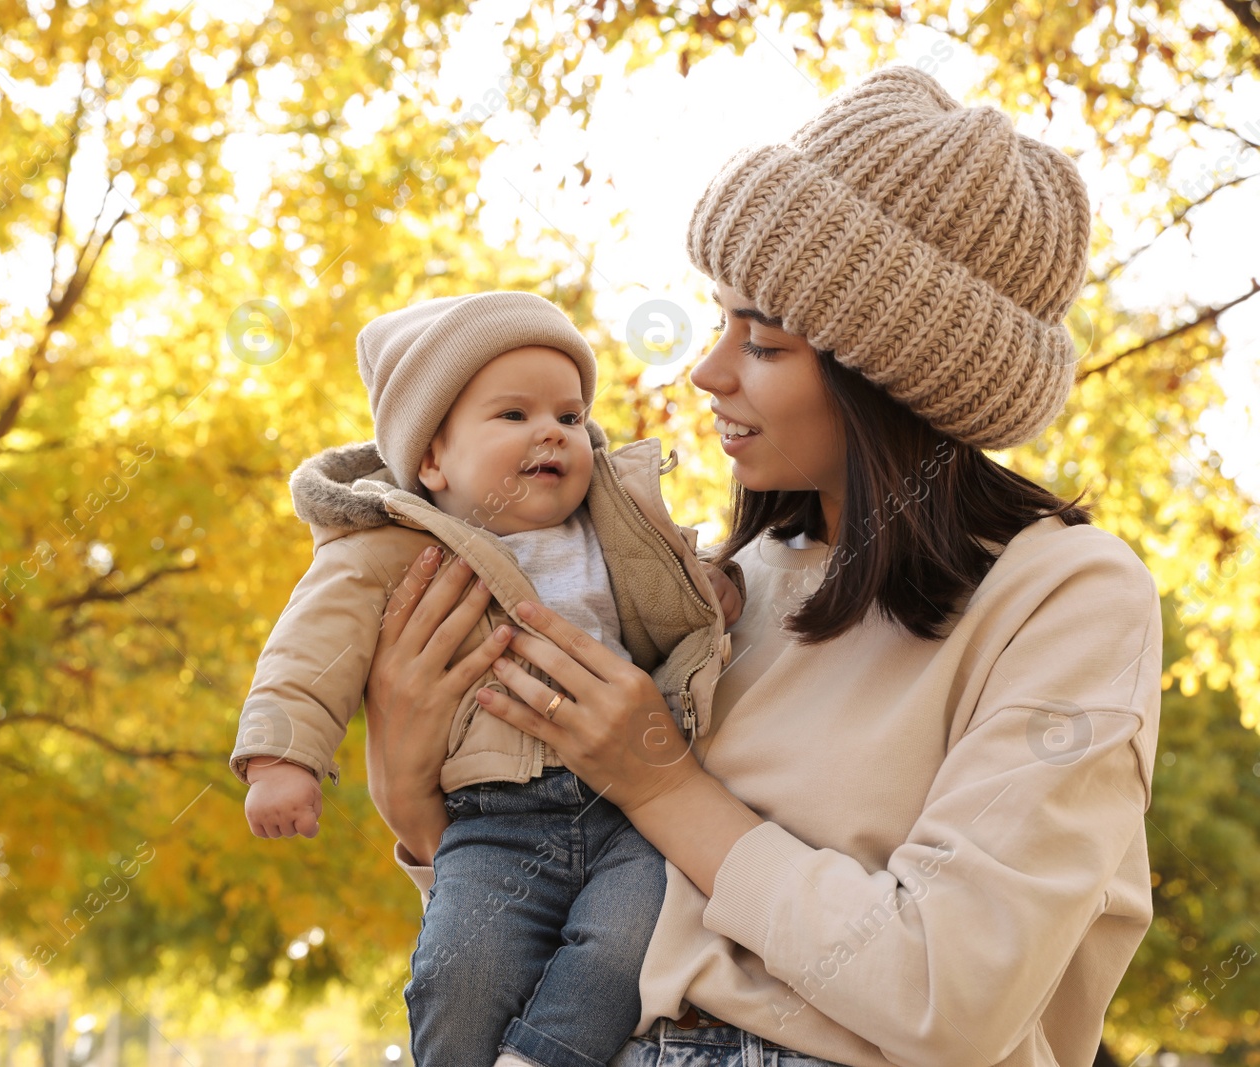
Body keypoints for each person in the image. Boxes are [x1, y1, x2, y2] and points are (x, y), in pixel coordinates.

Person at [363, 66, 1161, 1067]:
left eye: (766, 340)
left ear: (895, 377)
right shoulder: (726, 583)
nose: (708, 369)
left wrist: (658, 778)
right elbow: (565, 926)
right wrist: (416, 809)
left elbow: (951, 996)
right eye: (718, 318)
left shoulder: (1067, 596)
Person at [227, 290, 745, 1067]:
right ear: (432, 459)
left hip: (630, 807)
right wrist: (282, 758)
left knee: (627, 947)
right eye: (513, 416)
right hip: (492, 819)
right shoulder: (389, 550)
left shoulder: (616, 523)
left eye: (570, 417)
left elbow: (675, 593)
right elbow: (308, 651)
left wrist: (718, 590)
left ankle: (542, 1056)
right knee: (459, 968)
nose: (552, 432)